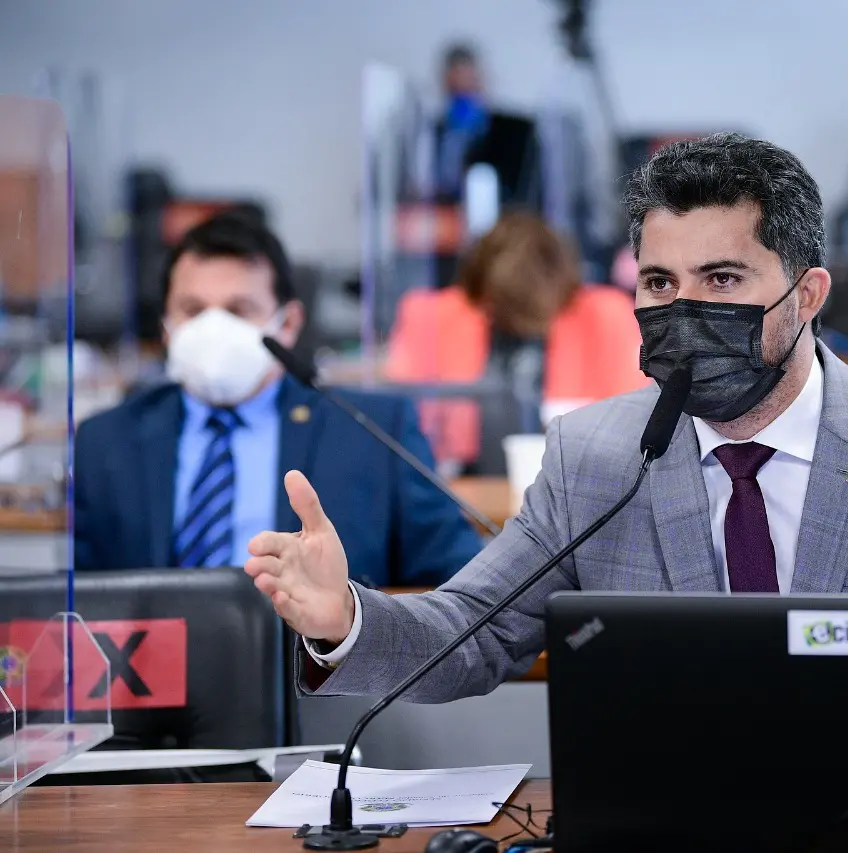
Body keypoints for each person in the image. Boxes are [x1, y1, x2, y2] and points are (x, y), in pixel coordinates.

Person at [246, 133, 848, 779]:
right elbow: (467, 635)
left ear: (806, 295)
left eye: (722, 280)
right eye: (660, 283)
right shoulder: (593, 457)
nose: (683, 310)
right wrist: (343, 618)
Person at [74, 212, 483, 587]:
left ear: (288, 323)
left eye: (239, 310)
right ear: (165, 325)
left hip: (321, 648)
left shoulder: (373, 430)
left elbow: (461, 587)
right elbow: (82, 606)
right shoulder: (105, 440)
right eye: (193, 310)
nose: (213, 329)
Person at [385, 211, 648, 472]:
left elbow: (632, 424)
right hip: (463, 478)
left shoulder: (603, 316)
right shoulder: (434, 317)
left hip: (580, 476)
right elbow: (405, 422)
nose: (521, 322)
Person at [428, 43, 540, 207]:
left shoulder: (513, 131)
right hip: (444, 214)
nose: (462, 87)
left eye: (467, 77)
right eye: (454, 81)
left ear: (479, 78)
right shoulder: (433, 132)